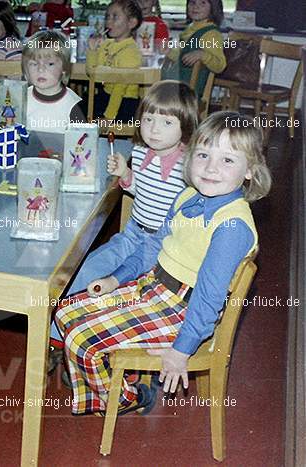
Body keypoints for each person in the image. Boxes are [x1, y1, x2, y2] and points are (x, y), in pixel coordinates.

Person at [54, 111, 271, 415]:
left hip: (183, 312)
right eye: (204, 154)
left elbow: (209, 298)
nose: (210, 168)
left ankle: (125, 398)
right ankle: (120, 375)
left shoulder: (231, 226)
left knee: (81, 339)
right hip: (153, 288)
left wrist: (182, 349)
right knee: (65, 311)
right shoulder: (187, 197)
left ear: (250, 171)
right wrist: (117, 278)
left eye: (228, 160)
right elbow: (152, 247)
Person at [48, 80, 198, 368]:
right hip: (132, 234)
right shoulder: (140, 152)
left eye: (166, 122)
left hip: (165, 249)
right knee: (85, 268)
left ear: (186, 126)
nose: (154, 129)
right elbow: (138, 190)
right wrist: (126, 175)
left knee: (123, 286)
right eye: (148, 119)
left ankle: (100, 349)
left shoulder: (189, 167)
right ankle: (58, 339)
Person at [85, 0, 143, 123]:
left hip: (124, 102)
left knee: (85, 112)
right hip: (106, 95)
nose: (108, 21)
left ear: (131, 23)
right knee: (77, 108)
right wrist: (92, 50)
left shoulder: (131, 51)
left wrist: (109, 116)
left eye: (115, 17)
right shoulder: (107, 44)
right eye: (107, 17)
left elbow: (120, 88)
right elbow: (93, 74)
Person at [22, 29, 85, 132]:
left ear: (64, 68)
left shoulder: (73, 105)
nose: (41, 69)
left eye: (50, 64)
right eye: (34, 64)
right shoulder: (21, 99)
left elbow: (80, 143)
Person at [162, 0, 226, 97]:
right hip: (177, 86)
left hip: (189, 94)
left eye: (203, 3)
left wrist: (202, 55)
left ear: (214, 7)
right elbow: (183, 57)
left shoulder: (211, 34)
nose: (196, 7)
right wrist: (169, 51)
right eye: (192, 2)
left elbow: (220, 65)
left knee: (151, 92)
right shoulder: (191, 28)